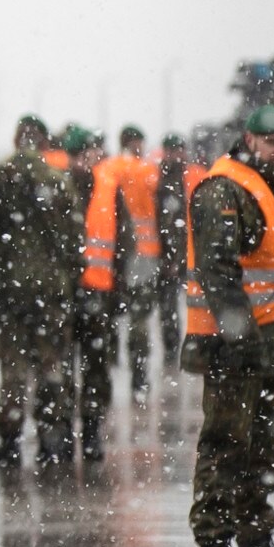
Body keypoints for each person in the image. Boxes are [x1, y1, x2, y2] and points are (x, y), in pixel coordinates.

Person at [185, 105, 274, 547]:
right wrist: (240, 336)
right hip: (230, 349)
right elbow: (216, 272)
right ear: (250, 140)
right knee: (225, 447)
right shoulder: (225, 190)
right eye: (271, 143)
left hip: (266, 347)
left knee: (264, 449)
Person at [0, 115, 81, 467]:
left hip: (8, 292)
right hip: (49, 292)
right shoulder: (57, 181)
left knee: (13, 371)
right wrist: (66, 283)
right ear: (45, 143)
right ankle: (52, 442)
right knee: (50, 366)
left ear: (17, 140)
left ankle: (10, 443)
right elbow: (74, 241)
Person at [62, 126, 114, 459]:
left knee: (96, 368)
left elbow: (122, 241)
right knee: (63, 369)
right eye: (84, 154)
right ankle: (62, 435)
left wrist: (119, 291)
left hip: (99, 292)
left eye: (93, 153)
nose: (89, 160)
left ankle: (92, 433)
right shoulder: (56, 188)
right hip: (66, 294)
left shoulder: (108, 188)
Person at [106, 127, 165, 399]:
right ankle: (138, 378)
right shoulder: (146, 170)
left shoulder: (110, 168)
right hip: (145, 252)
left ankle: (109, 364)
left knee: (111, 314)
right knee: (139, 318)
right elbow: (161, 203)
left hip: (114, 253)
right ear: (135, 143)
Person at [155, 133, 202, 368]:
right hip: (171, 254)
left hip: (193, 252)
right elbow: (165, 223)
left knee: (197, 304)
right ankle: (173, 349)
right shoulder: (160, 179)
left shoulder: (194, 176)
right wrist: (170, 257)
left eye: (178, 150)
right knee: (169, 306)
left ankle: (196, 345)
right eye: (171, 151)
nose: (175, 155)